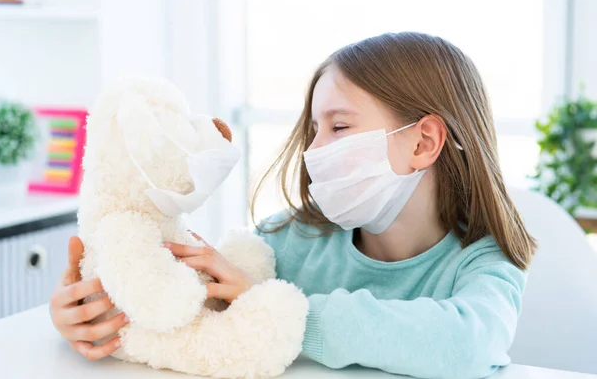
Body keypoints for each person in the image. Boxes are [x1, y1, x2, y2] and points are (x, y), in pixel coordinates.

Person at [49, 32, 535, 378]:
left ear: (423, 142)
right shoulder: (290, 239)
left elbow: (466, 346)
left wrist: (282, 317)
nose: (314, 150)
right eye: (314, 130)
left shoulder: (485, 260)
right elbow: (195, 306)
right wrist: (89, 312)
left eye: (339, 127)